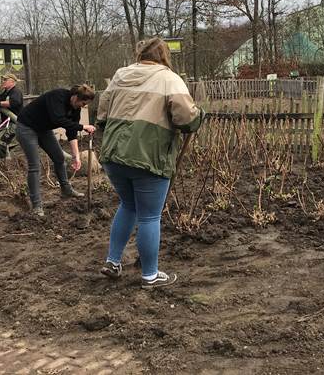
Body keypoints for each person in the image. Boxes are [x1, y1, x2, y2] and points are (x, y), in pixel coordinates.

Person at [97, 38, 203, 289]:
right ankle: (150, 275)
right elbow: (186, 118)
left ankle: (113, 261)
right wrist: (199, 116)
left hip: (114, 154)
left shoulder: (120, 75)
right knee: (149, 216)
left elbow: (102, 115)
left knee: (128, 205)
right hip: (148, 157)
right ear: (164, 56)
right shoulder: (169, 79)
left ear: (140, 55)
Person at [15, 84, 96, 217]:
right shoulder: (57, 96)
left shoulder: (76, 108)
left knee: (59, 158)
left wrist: (76, 156)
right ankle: (36, 206)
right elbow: (57, 119)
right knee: (35, 166)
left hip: (44, 130)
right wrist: (83, 127)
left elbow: (71, 131)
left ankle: (66, 190)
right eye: (82, 103)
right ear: (75, 97)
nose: (82, 106)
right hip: (26, 128)